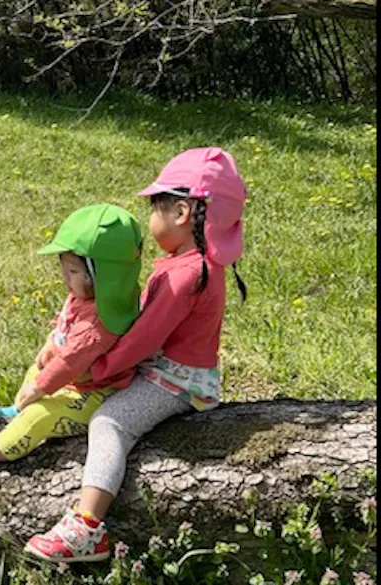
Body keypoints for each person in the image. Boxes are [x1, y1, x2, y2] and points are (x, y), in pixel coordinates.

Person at [24, 147, 249, 563]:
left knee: (110, 422)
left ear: (181, 212)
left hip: (175, 383)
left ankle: (87, 528)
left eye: (154, 208)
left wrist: (101, 367)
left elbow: (145, 338)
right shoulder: (189, 264)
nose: (150, 220)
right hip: (169, 372)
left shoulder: (185, 276)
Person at [0, 204, 142, 467]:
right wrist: (48, 345)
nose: (64, 278)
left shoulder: (99, 323)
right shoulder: (87, 296)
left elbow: (71, 362)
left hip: (93, 394)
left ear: (103, 276)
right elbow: (64, 328)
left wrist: (39, 387)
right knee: (35, 371)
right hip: (68, 379)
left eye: (73, 272)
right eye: (64, 269)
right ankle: (18, 409)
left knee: (41, 416)